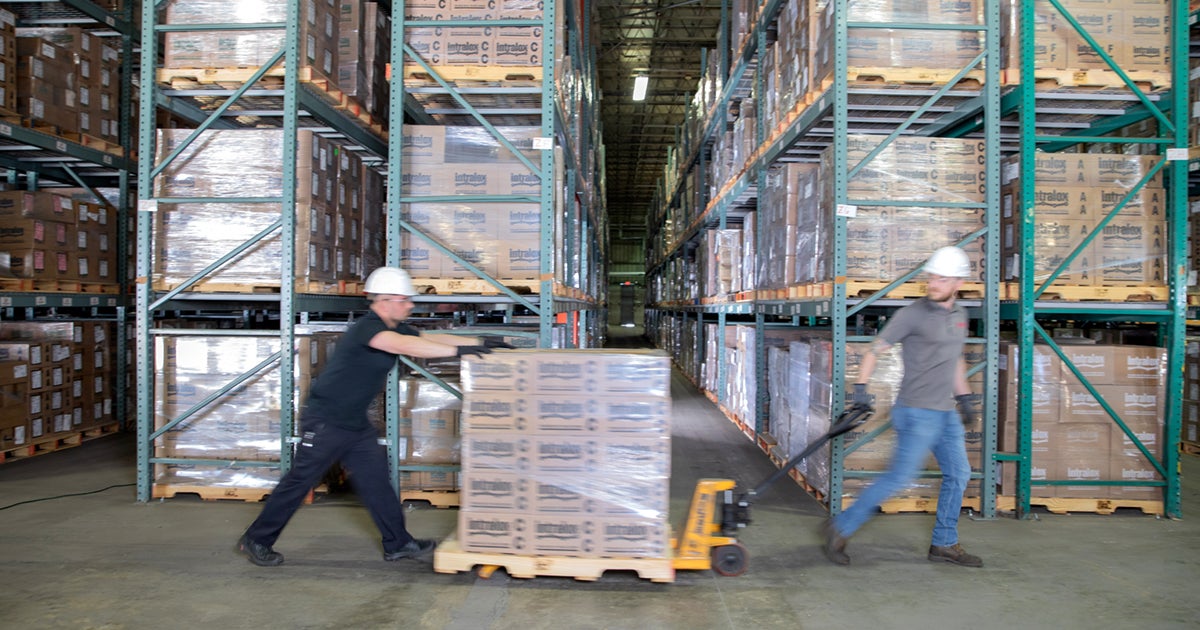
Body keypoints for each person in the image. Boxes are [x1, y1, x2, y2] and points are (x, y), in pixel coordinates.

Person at [237, 266, 513, 567]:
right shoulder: (369, 329)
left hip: (354, 423)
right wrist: (461, 351)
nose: (409, 305)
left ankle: (398, 544)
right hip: (326, 420)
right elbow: (408, 346)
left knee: (377, 481)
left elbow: (429, 335)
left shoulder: (395, 327)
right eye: (404, 300)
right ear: (385, 301)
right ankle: (257, 540)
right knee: (300, 481)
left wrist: (482, 342)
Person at [822, 246, 982, 568]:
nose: (933, 282)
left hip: (945, 413)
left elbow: (954, 361)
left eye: (942, 278)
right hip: (916, 412)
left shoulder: (960, 317)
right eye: (932, 276)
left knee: (959, 473)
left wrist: (964, 397)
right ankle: (841, 526)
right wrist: (861, 389)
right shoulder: (912, 314)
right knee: (899, 477)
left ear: (958, 283)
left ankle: (944, 543)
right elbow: (874, 351)